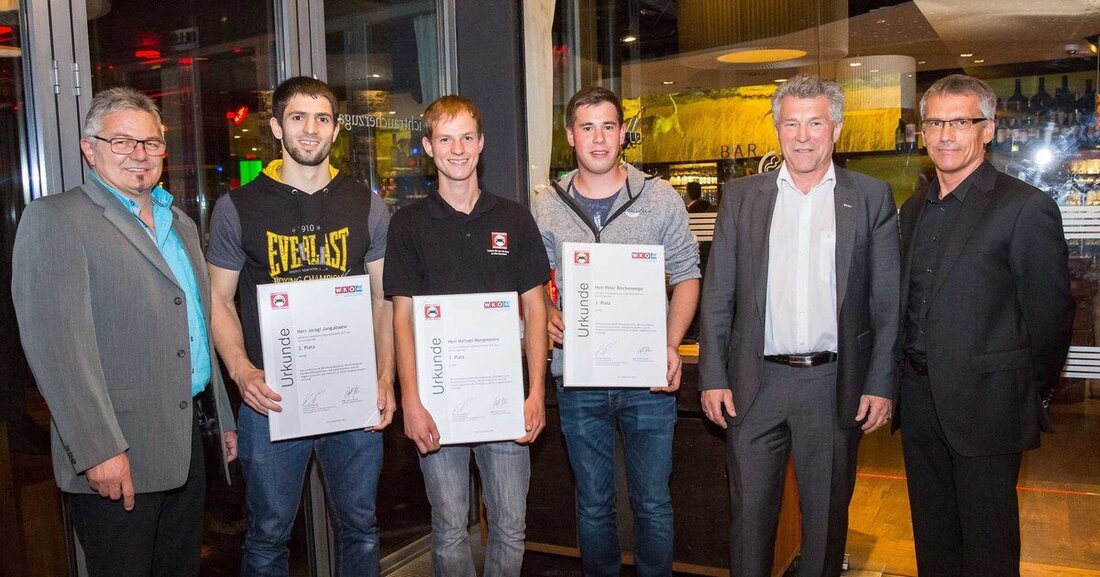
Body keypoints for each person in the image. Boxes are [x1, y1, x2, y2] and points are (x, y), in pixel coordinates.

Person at [12, 86, 237, 577]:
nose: (139, 154)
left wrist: (222, 419)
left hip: (188, 439)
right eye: (122, 142)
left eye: (151, 143)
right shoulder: (56, 220)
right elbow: (59, 352)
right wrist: (99, 451)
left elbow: (195, 322)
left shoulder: (177, 221)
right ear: (88, 148)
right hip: (120, 454)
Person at [698, 74, 899, 577]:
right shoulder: (742, 197)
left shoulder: (871, 197)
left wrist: (879, 382)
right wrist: (713, 375)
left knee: (826, 525)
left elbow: (887, 302)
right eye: (791, 123)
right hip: (753, 383)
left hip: (833, 385)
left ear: (836, 127)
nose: (802, 135)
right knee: (749, 521)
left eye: (814, 122)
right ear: (777, 128)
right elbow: (719, 294)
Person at [206, 77, 395, 577]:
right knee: (267, 536)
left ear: (336, 130)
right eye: (297, 117)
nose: (310, 130)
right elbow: (219, 300)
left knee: (360, 527)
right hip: (271, 398)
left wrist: (384, 379)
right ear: (275, 126)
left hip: (352, 396)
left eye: (322, 118)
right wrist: (242, 371)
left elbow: (383, 300)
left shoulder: (367, 204)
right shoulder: (238, 207)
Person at [897, 74, 1073, 577]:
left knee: (989, 547)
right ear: (922, 133)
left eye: (961, 121)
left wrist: (1024, 390)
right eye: (935, 122)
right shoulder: (912, 211)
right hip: (919, 403)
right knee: (933, 542)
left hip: (989, 404)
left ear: (988, 129)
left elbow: (1050, 316)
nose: (946, 134)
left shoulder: (1024, 207)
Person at [533, 86, 700, 577]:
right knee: (592, 504)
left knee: (653, 502)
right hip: (578, 378)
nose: (599, 138)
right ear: (570, 137)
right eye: (587, 128)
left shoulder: (660, 198)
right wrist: (547, 309)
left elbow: (688, 274)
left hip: (646, 377)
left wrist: (669, 344)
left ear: (623, 133)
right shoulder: (546, 204)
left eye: (608, 126)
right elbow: (532, 281)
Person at [384, 94, 549, 576]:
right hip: (439, 406)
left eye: (467, 137)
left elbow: (536, 310)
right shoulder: (408, 224)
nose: (457, 149)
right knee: (451, 526)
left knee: (510, 527)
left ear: (481, 144)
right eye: (446, 138)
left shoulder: (514, 218)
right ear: (428, 147)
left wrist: (536, 391)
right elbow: (402, 318)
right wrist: (410, 400)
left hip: (506, 404)